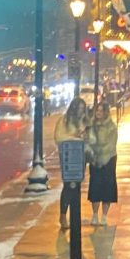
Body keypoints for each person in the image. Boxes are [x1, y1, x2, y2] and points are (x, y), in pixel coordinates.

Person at [54, 97, 89, 230]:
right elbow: (59, 137)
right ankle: (63, 214)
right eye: (78, 109)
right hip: (68, 157)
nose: (81, 112)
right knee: (68, 186)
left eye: (82, 109)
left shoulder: (85, 121)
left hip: (80, 157)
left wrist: (85, 137)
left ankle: (75, 214)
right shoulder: (64, 121)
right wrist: (75, 137)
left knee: (77, 186)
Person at [86, 100, 118, 226]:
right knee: (95, 187)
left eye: (101, 110)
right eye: (97, 110)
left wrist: (99, 151)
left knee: (107, 188)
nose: (98, 113)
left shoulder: (111, 126)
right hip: (95, 160)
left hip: (109, 159)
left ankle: (104, 216)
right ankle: (94, 214)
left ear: (105, 112)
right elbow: (87, 140)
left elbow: (111, 144)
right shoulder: (91, 125)